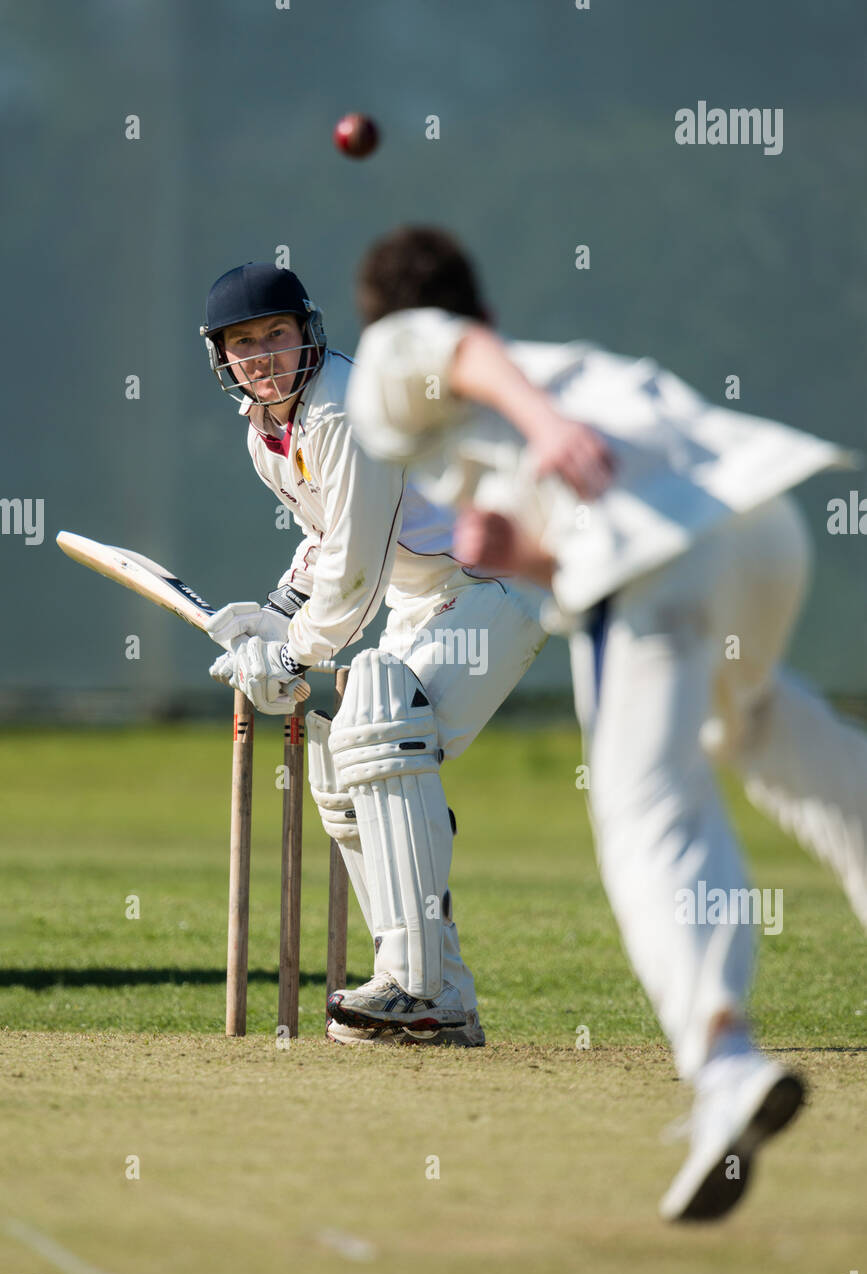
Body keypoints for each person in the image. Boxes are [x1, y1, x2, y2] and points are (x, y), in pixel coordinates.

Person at [346, 226, 867, 1219]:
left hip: (661, 551)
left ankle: (725, 1063)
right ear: (492, 304)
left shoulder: (397, 351)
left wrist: (542, 428)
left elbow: (448, 347)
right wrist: (526, 550)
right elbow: (566, 524)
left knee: (643, 813)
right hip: (758, 526)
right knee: (759, 725)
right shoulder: (549, 377)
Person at [198, 260, 548, 1046]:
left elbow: (357, 568)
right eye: (243, 343)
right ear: (222, 357)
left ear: (307, 334)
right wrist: (273, 616)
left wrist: (293, 654)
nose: (262, 355)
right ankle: (436, 999)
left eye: (276, 334)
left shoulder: (342, 413)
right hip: (426, 595)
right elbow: (325, 541)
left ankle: (417, 988)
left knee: (381, 729)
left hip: (496, 579)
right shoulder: (266, 433)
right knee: (340, 767)